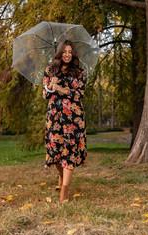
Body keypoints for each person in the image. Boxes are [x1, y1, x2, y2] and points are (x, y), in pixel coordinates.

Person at [42, 39, 87, 202]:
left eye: (70, 52)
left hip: (74, 119)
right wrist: (50, 86)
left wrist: (62, 89)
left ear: (73, 54)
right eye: (64, 51)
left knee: (69, 152)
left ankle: (64, 192)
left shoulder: (79, 72)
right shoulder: (50, 70)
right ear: (59, 52)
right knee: (55, 151)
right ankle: (61, 175)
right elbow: (45, 95)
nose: (67, 55)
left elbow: (80, 95)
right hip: (54, 117)